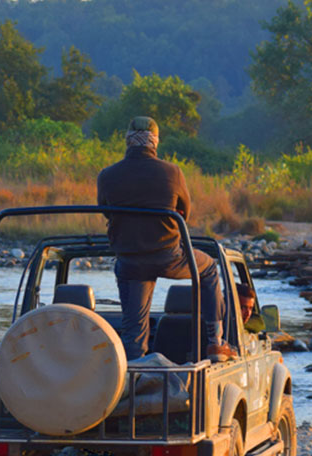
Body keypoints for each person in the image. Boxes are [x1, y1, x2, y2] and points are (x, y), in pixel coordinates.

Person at [97, 116, 237, 362]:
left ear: (128, 140)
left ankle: (135, 376)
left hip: (130, 261)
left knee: (134, 330)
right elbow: (185, 212)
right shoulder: (172, 172)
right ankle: (215, 342)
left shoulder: (107, 175)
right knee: (209, 269)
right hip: (169, 255)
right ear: (155, 141)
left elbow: (106, 212)